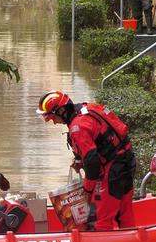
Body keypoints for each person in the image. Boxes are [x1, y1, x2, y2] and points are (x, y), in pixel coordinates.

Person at [37, 91, 137, 230]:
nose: (53, 122)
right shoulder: (89, 108)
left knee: (99, 218)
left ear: (61, 111)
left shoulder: (78, 127)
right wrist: (79, 160)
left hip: (113, 170)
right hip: (127, 160)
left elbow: (92, 162)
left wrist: (88, 189)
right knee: (124, 212)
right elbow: (100, 139)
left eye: (52, 117)